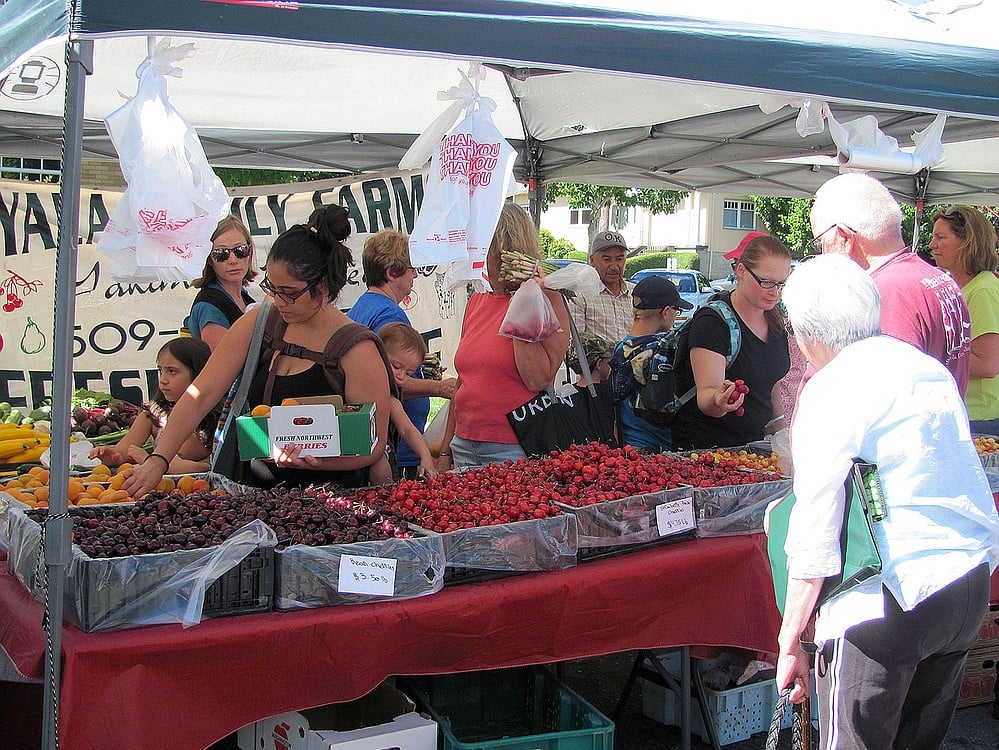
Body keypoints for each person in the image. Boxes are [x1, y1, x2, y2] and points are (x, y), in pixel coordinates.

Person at [775, 253, 999, 750]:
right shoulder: (924, 368)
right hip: (964, 581)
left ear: (805, 330)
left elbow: (815, 523)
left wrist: (790, 638)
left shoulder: (832, 386)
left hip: (892, 598)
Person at [123, 205, 392, 497]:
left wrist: (317, 460)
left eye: (289, 293)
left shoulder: (357, 349)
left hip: (332, 509)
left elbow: (372, 443)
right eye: (271, 288)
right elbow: (201, 394)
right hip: (252, 495)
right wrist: (159, 459)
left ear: (323, 287)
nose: (278, 300)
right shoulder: (259, 323)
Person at [810, 173, 971, 394]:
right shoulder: (938, 279)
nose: (822, 254)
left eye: (820, 244)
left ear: (844, 238)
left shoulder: (884, 294)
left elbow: (881, 396)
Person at [438, 202, 571, 468]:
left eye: (484, 247)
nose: (479, 256)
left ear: (504, 249)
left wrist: (524, 298)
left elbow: (537, 378)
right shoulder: (477, 300)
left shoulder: (548, 299)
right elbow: (463, 383)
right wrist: (444, 451)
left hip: (514, 445)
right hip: (464, 442)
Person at [347, 229, 457, 479]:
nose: (416, 274)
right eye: (411, 268)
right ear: (391, 272)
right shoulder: (390, 316)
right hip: (398, 449)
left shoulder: (362, 307)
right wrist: (440, 388)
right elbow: (387, 383)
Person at [670, 235, 791, 449]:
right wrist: (719, 400)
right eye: (766, 282)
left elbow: (771, 380)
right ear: (742, 271)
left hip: (754, 446)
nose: (775, 292)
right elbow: (706, 395)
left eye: (781, 284)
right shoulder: (712, 322)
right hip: (708, 451)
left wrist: (779, 426)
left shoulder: (775, 320)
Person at [90, 338, 219, 474]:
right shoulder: (153, 415)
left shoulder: (209, 421)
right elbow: (124, 450)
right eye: (160, 371)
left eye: (172, 371)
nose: (163, 380)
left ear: (198, 374)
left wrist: (149, 461)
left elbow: (202, 468)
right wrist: (112, 456)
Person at [929, 205, 999, 434]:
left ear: (968, 242)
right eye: (933, 237)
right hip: (965, 412)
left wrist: (931, 354)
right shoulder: (965, 287)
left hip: (979, 418)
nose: (932, 245)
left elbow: (988, 365)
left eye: (941, 237)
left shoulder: (982, 290)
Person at [610, 276, 692, 452]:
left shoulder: (621, 347)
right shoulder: (667, 347)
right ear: (665, 312)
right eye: (676, 311)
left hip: (630, 446)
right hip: (661, 448)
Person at [369, 322, 438, 484]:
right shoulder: (360, 383)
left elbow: (406, 428)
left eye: (408, 373)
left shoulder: (389, 395)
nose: (401, 376)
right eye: (396, 366)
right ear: (377, 355)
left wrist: (425, 455)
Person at [185, 215, 258, 350]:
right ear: (209, 259)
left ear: (250, 251)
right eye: (221, 253)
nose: (233, 260)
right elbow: (227, 367)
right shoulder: (209, 306)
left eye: (240, 250)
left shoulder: (243, 296)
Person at [568, 230, 635, 343]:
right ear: (592, 261)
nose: (614, 266)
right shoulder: (579, 295)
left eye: (619, 259)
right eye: (607, 259)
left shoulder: (636, 293)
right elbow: (574, 344)